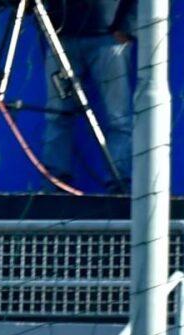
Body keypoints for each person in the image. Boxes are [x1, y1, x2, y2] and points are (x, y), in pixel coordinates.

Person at [45, 0, 133, 193]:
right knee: (57, 114)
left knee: (118, 117)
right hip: (61, 37)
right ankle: (55, 181)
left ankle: (118, 182)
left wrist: (128, 26)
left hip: (108, 38)